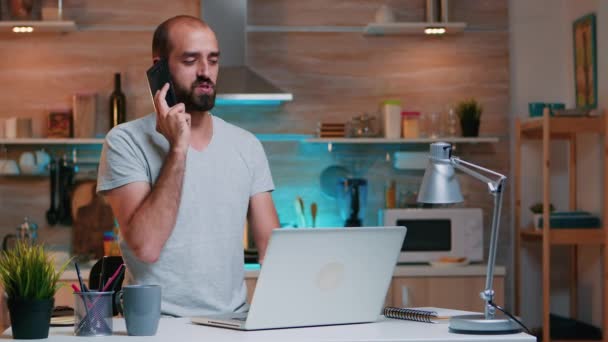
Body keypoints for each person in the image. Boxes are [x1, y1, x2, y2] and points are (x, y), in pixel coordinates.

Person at [96, 15, 280, 317]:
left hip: (233, 323)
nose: (206, 72)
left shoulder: (247, 146)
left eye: (213, 60)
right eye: (191, 60)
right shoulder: (125, 141)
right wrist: (178, 148)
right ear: (160, 67)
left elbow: (273, 252)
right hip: (155, 326)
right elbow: (146, 247)